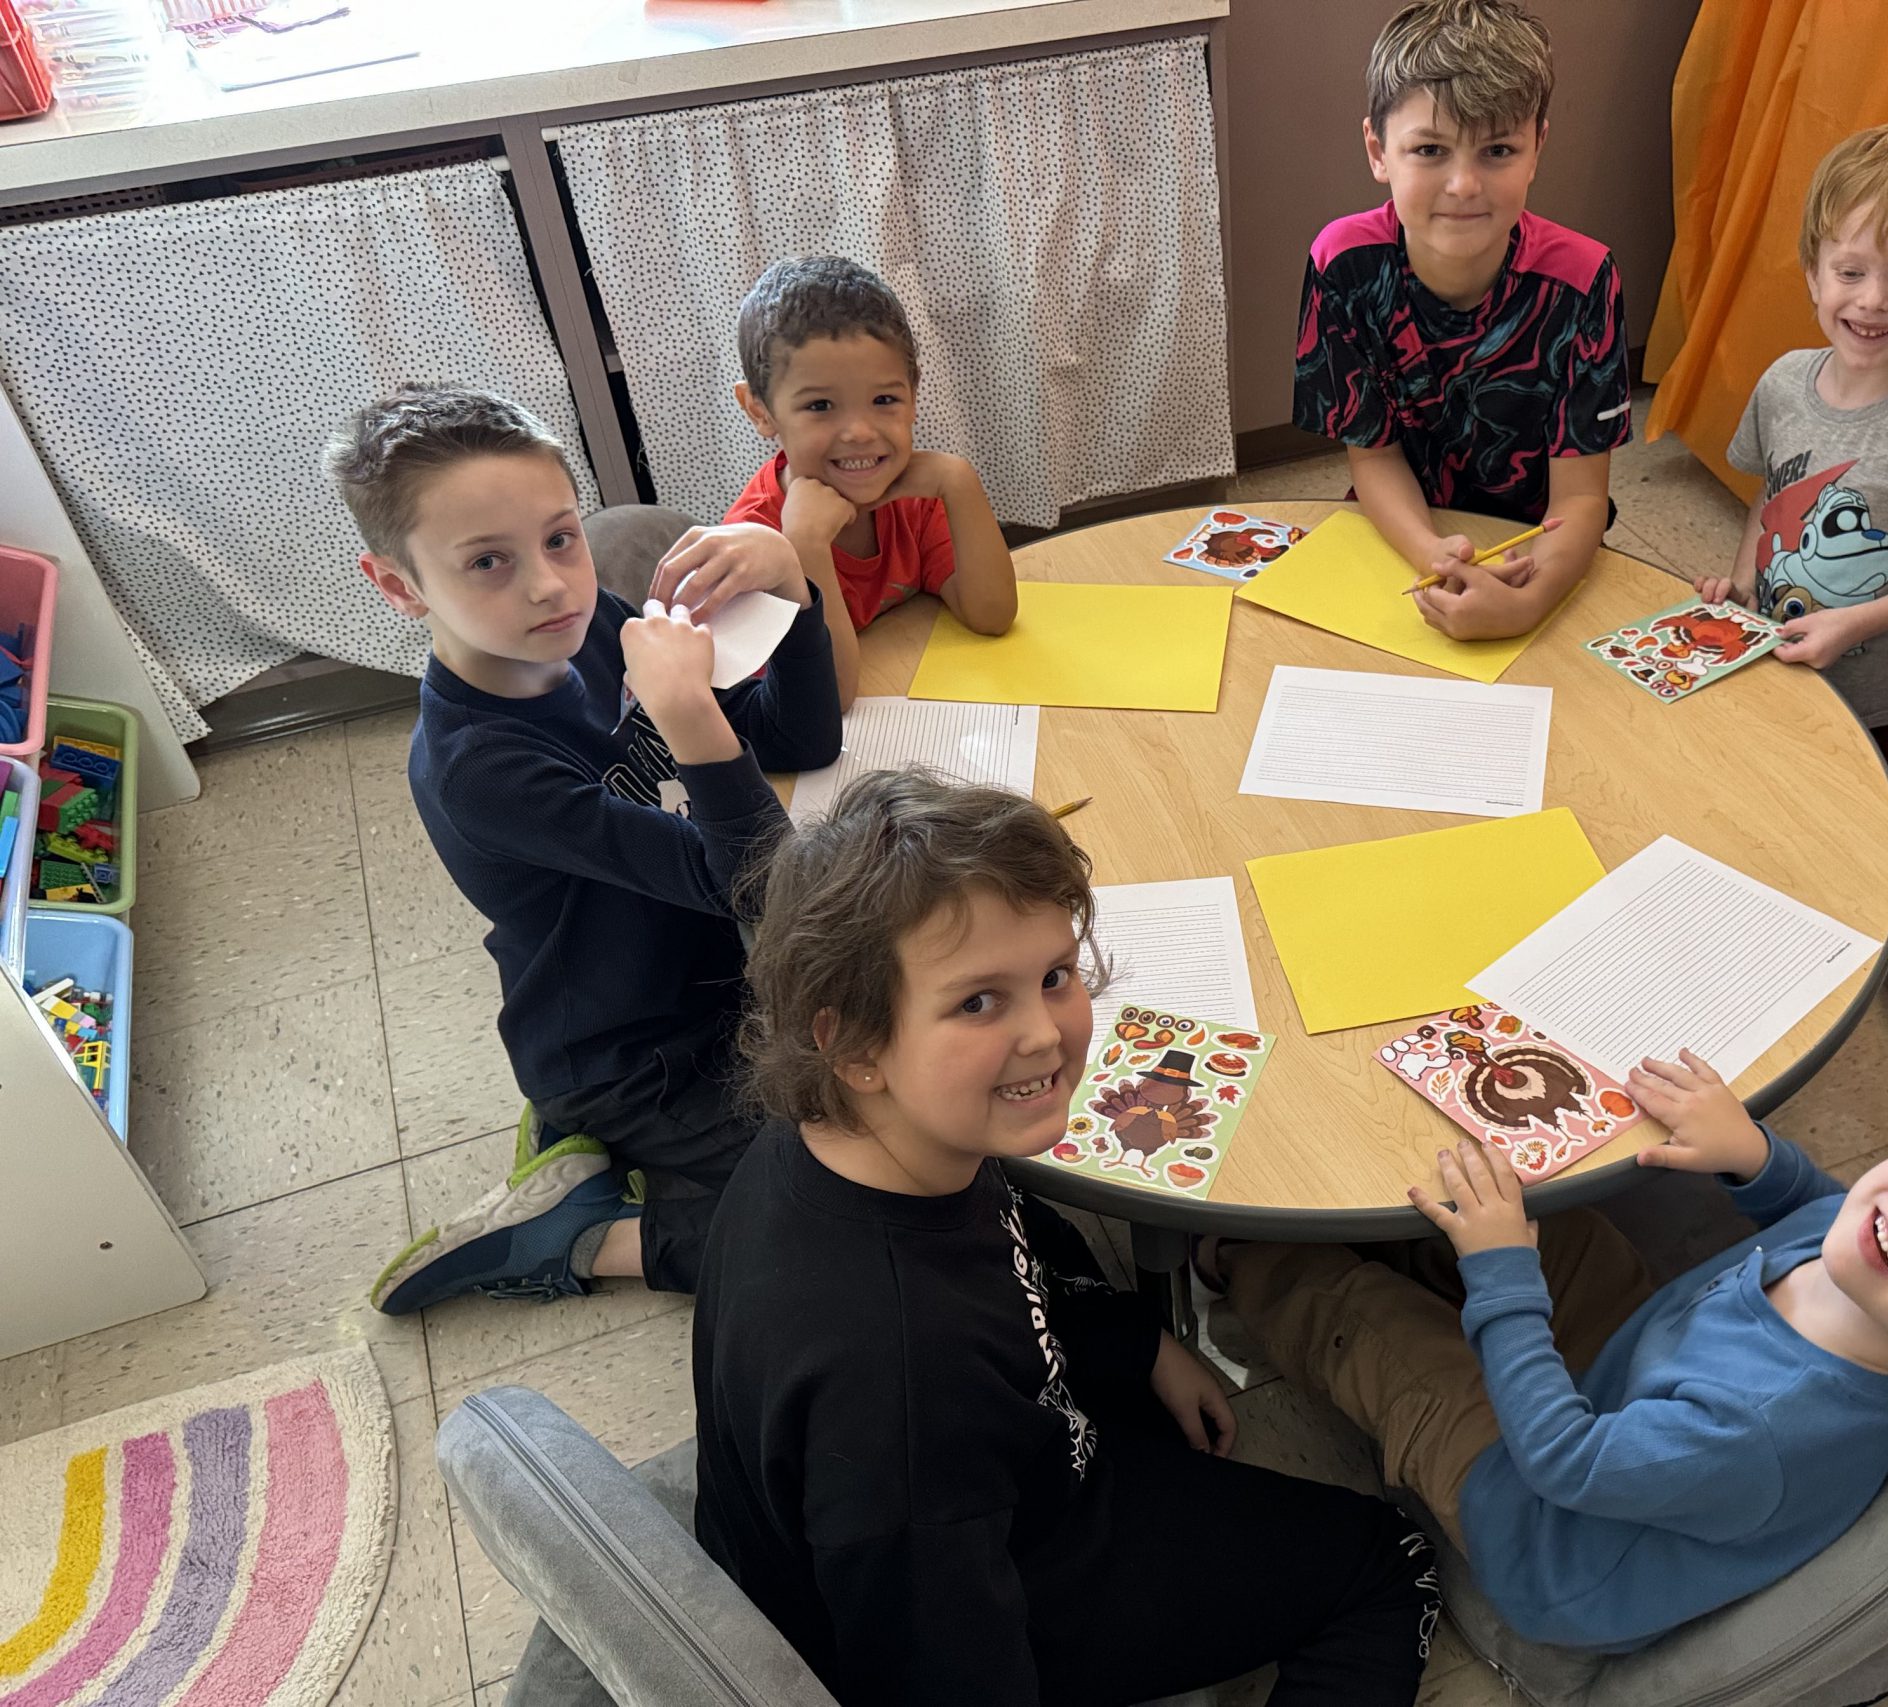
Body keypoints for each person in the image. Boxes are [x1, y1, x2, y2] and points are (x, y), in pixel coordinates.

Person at [692, 770, 1439, 1704]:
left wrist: (1137, 1345)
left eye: (1053, 975)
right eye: (978, 1002)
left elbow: (1010, 1259)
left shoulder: (862, 1133)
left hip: (1001, 1489)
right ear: (851, 1045)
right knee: (1388, 1560)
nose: (1047, 1032)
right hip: (1008, 1579)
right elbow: (947, 1669)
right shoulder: (901, 1383)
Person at [1206, 1053, 1888, 1652]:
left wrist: (1502, 1280)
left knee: (1374, 1329)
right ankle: (1418, 1235)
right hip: (1642, 1380)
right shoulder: (1873, 1252)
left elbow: (1566, 1462)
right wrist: (1753, 1153)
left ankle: (1246, 1258)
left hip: (1549, 1526)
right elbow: (1814, 1207)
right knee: (1561, 1220)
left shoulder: (1764, 1434)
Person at [330, 385, 842, 1313]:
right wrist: (688, 715)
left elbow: (800, 741)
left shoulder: (592, 619)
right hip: (641, 1055)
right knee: (837, 1229)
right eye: (488, 561)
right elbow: (762, 883)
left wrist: (796, 593)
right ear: (400, 585)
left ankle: (587, 1146)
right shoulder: (475, 765)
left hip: (717, 974)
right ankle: (578, 1234)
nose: (548, 583)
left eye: (560, 537)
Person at [1697, 118, 1888, 819]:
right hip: (1787, 657)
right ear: (1813, 271)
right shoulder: (1783, 383)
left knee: (1857, 833)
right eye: (1850, 272)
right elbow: (1773, 499)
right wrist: (1743, 584)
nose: (1872, 300)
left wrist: (1857, 623)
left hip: (1885, 695)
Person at [1295, 0, 1629, 642]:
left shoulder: (1585, 280)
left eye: (1498, 149)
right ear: (1378, 150)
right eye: (1429, 150)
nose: (1464, 184)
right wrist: (1430, 552)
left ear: (1537, 149)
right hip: (1400, 534)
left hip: (1542, 553)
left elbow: (1582, 499)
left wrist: (1530, 602)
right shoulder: (1342, 264)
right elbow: (1373, 459)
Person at [725, 256, 1018, 708]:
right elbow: (827, 700)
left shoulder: (913, 497)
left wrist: (960, 482)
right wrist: (805, 546)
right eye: (820, 406)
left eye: (884, 399)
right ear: (760, 410)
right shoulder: (754, 543)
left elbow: (993, 615)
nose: (860, 432)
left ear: (914, 395)